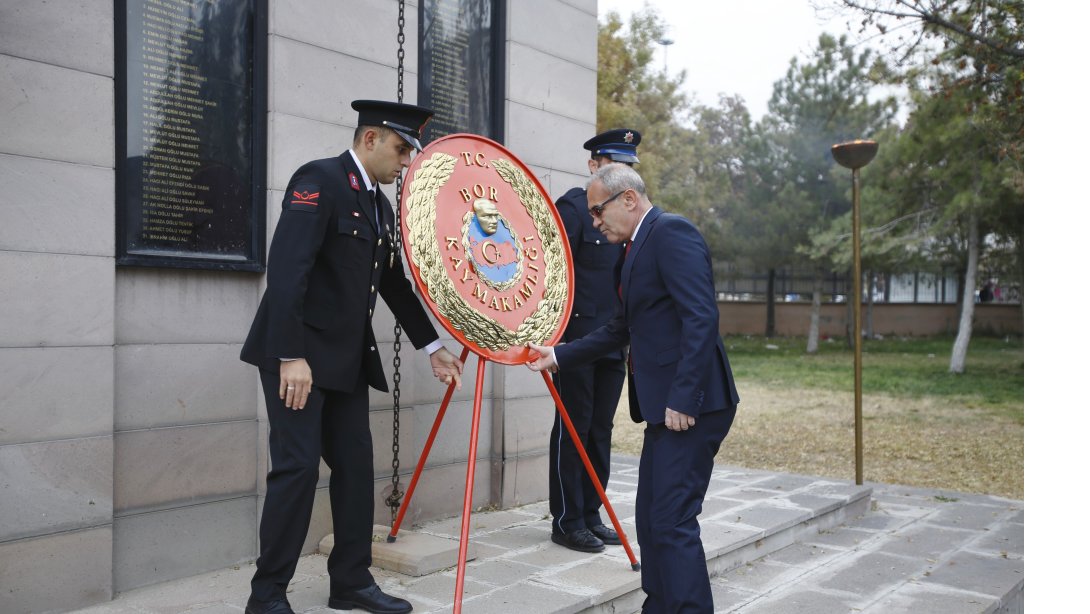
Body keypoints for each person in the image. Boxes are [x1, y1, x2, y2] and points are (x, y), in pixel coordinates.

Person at [240, 100, 464, 614]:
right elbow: (288, 270)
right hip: (296, 359)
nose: (406, 160)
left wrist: (432, 347)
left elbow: (392, 285)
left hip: (343, 361)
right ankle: (267, 594)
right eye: (401, 148)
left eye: (410, 151)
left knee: (356, 470)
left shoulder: (379, 206)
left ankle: (351, 582)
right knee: (295, 472)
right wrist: (290, 355)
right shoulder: (318, 180)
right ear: (370, 139)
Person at [528, 164, 740, 613]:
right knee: (650, 517)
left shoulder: (671, 233)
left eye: (598, 209)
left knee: (671, 520)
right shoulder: (633, 249)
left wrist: (684, 397)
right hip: (666, 407)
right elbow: (618, 328)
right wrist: (558, 355)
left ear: (628, 199)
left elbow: (701, 318)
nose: (594, 221)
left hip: (693, 405)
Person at [548, 128, 642, 553]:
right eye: (611, 165)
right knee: (574, 428)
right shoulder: (573, 207)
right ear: (593, 165)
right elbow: (552, 270)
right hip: (577, 338)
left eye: (627, 167)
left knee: (600, 429)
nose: (619, 173)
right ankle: (567, 520)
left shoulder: (629, 212)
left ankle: (591, 510)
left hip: (612, 339)